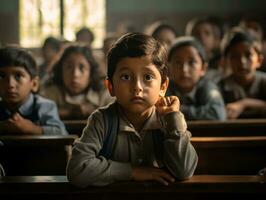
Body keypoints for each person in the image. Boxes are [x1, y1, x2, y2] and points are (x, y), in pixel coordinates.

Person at [67, 33, 198, 187]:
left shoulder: (170, 119)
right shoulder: (102, 120)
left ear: (163, 87)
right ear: (111, 87)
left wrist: (173, 120)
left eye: (148, 77)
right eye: (126, 77)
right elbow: (77, 169)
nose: (137, 87)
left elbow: (184, 171)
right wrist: (133, 172)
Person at [0, 46, 68, 135]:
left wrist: (32, 129)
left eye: (18, 76)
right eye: (1, 76)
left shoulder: (44, 106)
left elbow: (62, 133)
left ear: (34, 84)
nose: (10, 84)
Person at [41, 44, 113, 120]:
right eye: (69, 67)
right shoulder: (50, 93)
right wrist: (69, 112)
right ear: (61, 70)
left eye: (82, 68)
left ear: (91, 72)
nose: (75, 74)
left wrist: (94, 111)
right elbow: (40, 113)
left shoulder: (103, 95)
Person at [167, 36, 226, 120]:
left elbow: (217, 114)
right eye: (178, 62)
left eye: (191, 62)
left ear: (203, 68)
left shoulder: (207, 86)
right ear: (169, 67)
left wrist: (178, 110)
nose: (184, 69)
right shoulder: (164, 88)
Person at [218, 27, 266, 119]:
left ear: (259, 60)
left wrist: (244, 103)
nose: (242, 61)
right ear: (227, 61)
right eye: (235, 56)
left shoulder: (264, 81)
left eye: (248, 55)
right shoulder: (221, 86)